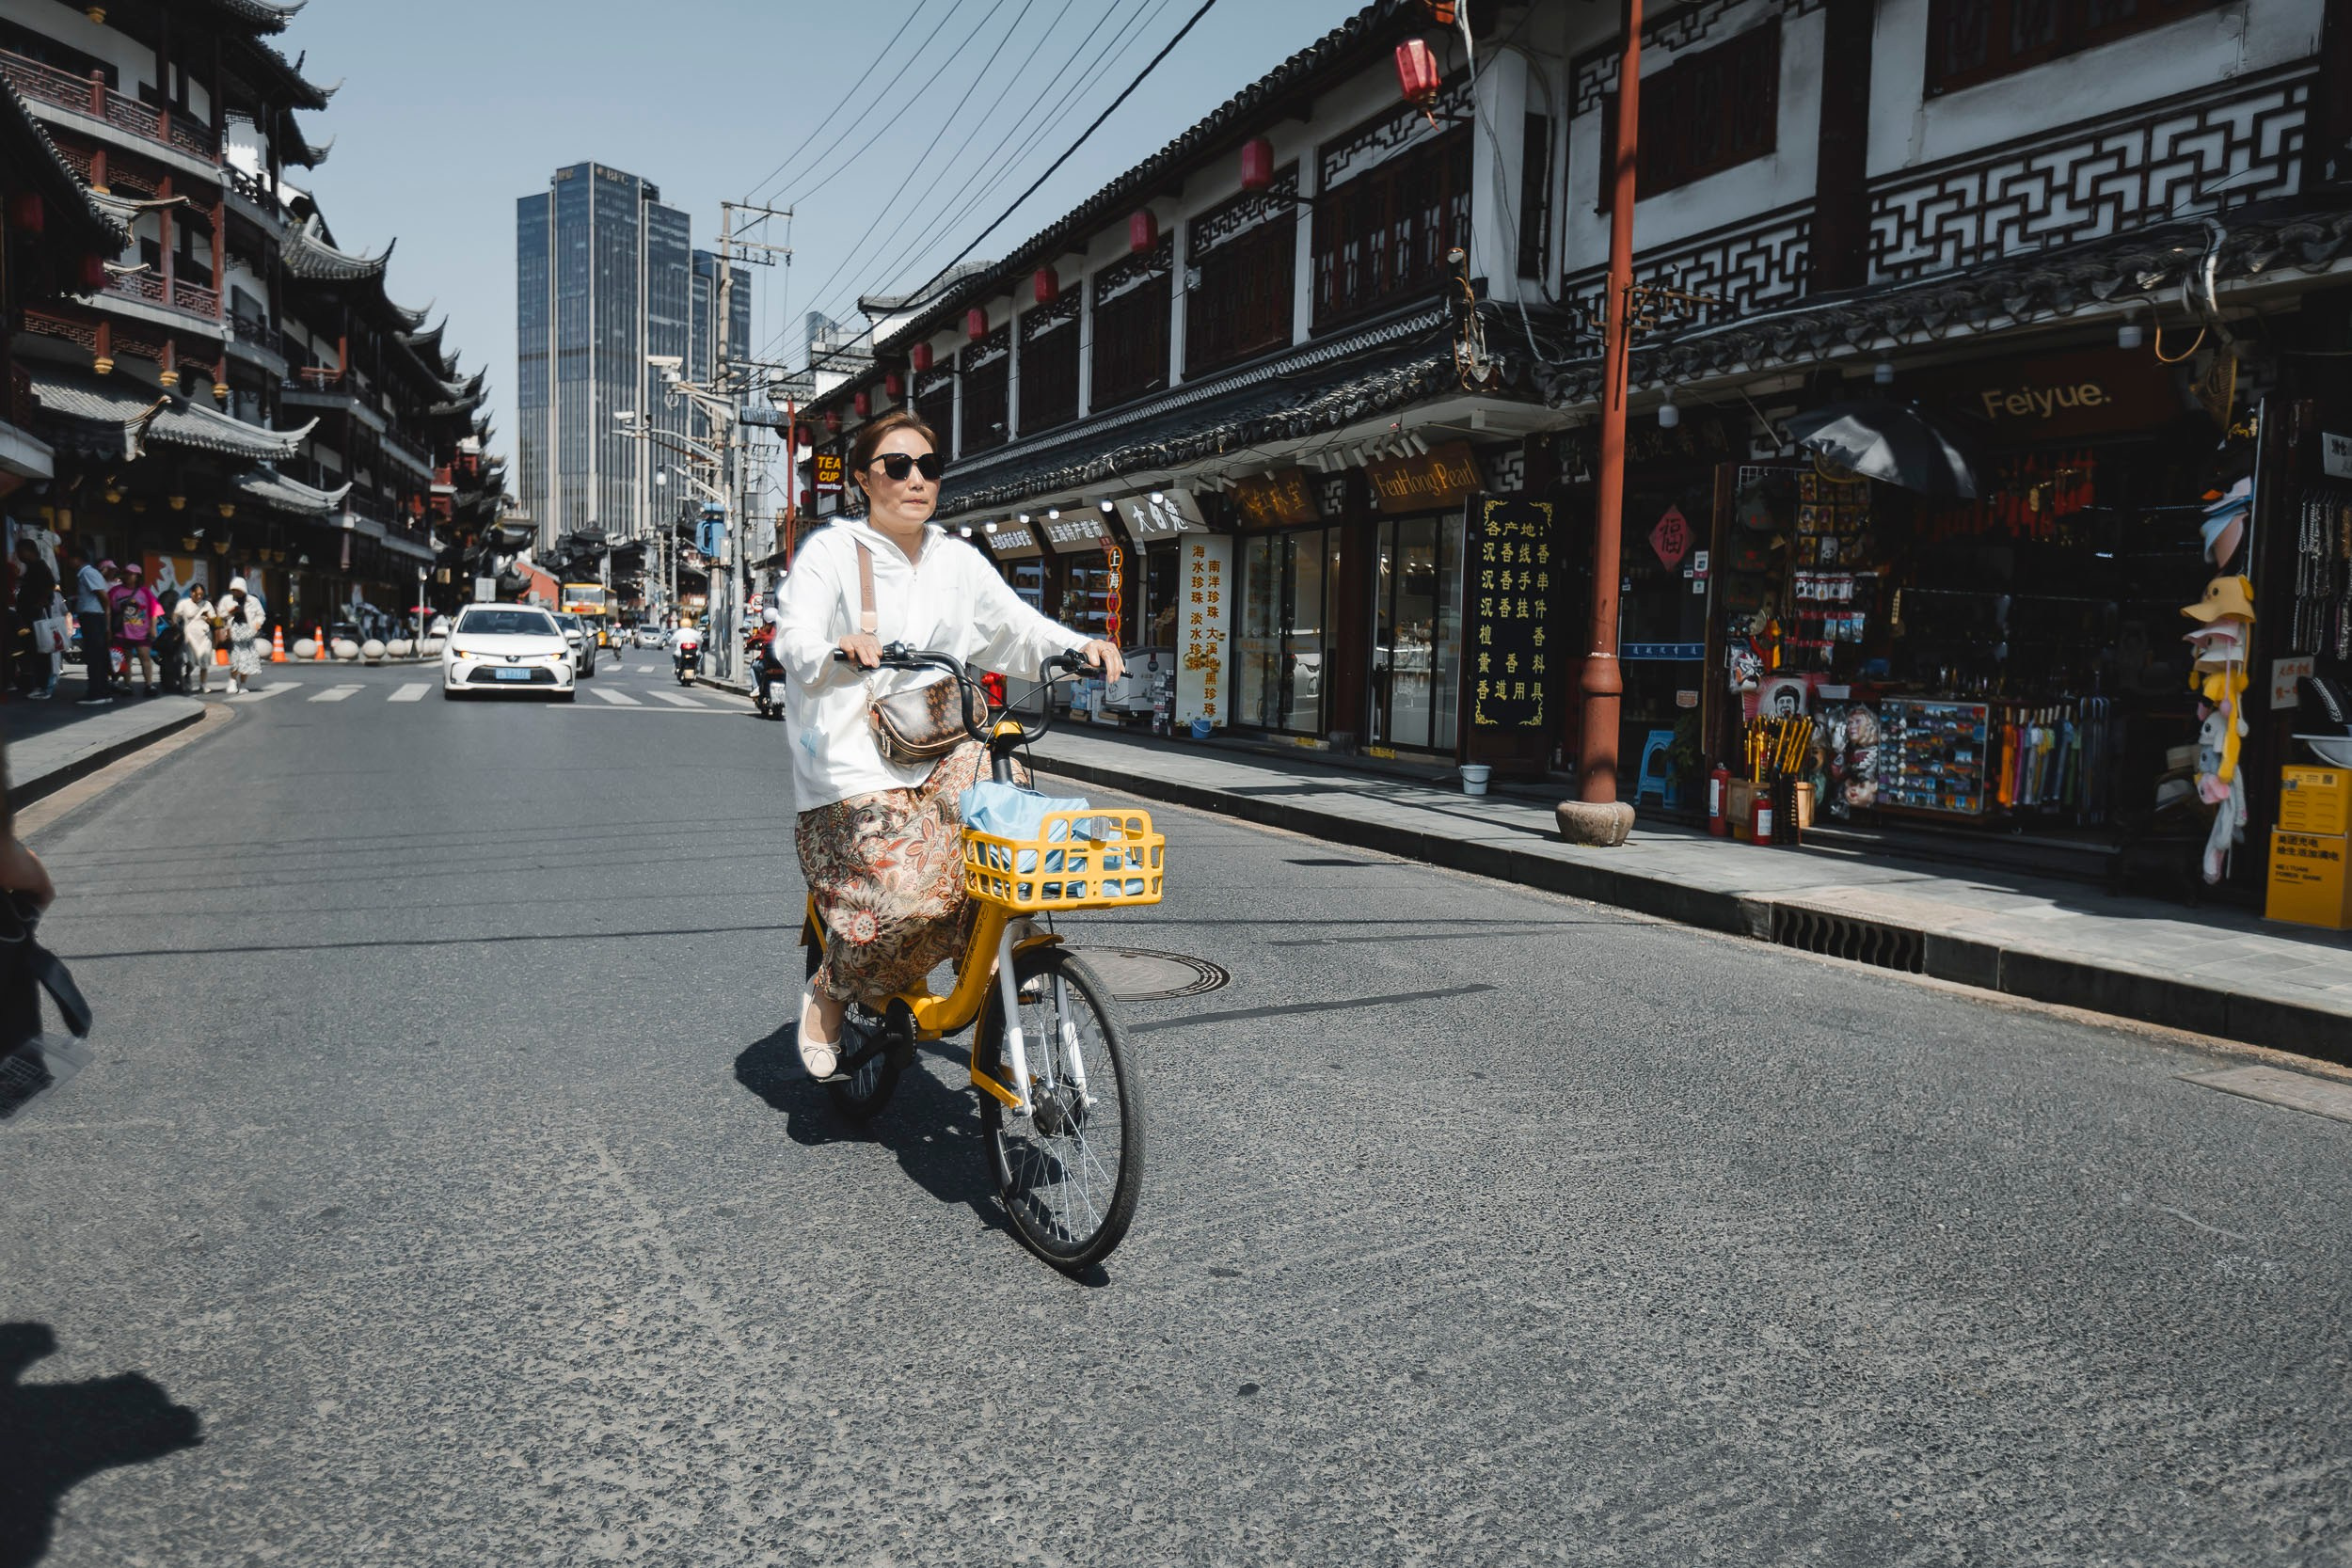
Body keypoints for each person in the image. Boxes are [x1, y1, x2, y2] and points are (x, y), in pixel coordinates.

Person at [775, 410, 1121, 1078]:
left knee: (1009, 833)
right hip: (853, 759)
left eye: (928, 467)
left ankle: (994, 954)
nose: (915, 479)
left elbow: (1016, 628)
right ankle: (831, 989)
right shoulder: (832, 552)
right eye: (896, 466)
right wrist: (835, 648)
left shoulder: (958, 560)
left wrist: (1077, 646)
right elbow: (794, 637)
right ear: (861, 479)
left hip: (942, 743)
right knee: (900, 897)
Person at [64, 548, 116, 705]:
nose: (68, 563)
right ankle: (103, 691)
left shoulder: (88, 573)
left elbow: (103, 597)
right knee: (98, 655)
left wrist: (107, 624)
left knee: (94, 656)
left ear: (77, 559)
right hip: (93, 617)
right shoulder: (87, 574)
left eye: (70, 559)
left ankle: (96, 693)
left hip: (93, 617)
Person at [10, 539, 55, 699]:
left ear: (29, 551)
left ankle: (43, 686)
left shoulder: (39, 567)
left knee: (40, 650)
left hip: (35, 616)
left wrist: (39, 604)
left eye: (21, 551)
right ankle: (37, 683)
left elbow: (50, 586)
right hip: (29, 615)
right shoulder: (32, 568)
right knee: (33, 650)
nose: (19, 555)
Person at [108, 562, 161, 696]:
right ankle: (127, 685)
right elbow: (108, 611)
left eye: (132, 574)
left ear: (138, 576)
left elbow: (155, 610)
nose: (129, 576)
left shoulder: (145, 592)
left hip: (142, 632)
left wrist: (153, 628)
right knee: (126, 659)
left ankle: (149, 685)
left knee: (145, 657)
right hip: (122, 631)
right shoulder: (115, 591)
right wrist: (108, 629)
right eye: (127, 573)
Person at [217, 577, 263, 695]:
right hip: (234, 630)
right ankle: (232, 681)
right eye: (233, 590)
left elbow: (261, 614)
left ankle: (243, 685)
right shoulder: (227, 600)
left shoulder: (252, 600)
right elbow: (221, 614)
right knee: (236, 657)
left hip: (248, 631)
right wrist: (230, 612)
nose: (236, 592)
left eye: (238, 590)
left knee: (246, 659)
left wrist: (258, 624)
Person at [171, 582, 215, 694]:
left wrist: (208, 618)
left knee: (204, 662)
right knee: (191, 662)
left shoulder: (207, 604)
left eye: (202, 594)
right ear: (192, 593)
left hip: (205, 637)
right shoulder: (184, 603)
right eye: (197, 594)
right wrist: (175, 624)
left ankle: (203, 684)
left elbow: (214, 620)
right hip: (190, 637)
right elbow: (175, 615)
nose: (199, 596)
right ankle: (187, 676)